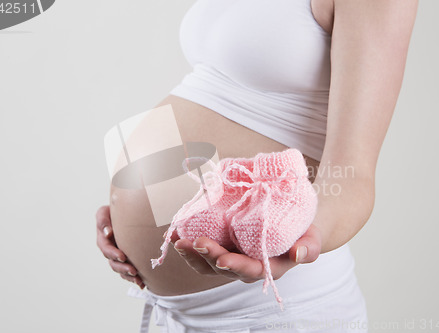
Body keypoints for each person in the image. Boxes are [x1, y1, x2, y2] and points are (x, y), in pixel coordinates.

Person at [96, 0, 418, 331]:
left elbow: (354, 178)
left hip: (272, 309)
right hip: (176, 313)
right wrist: (135, 210)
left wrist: (299, 243)